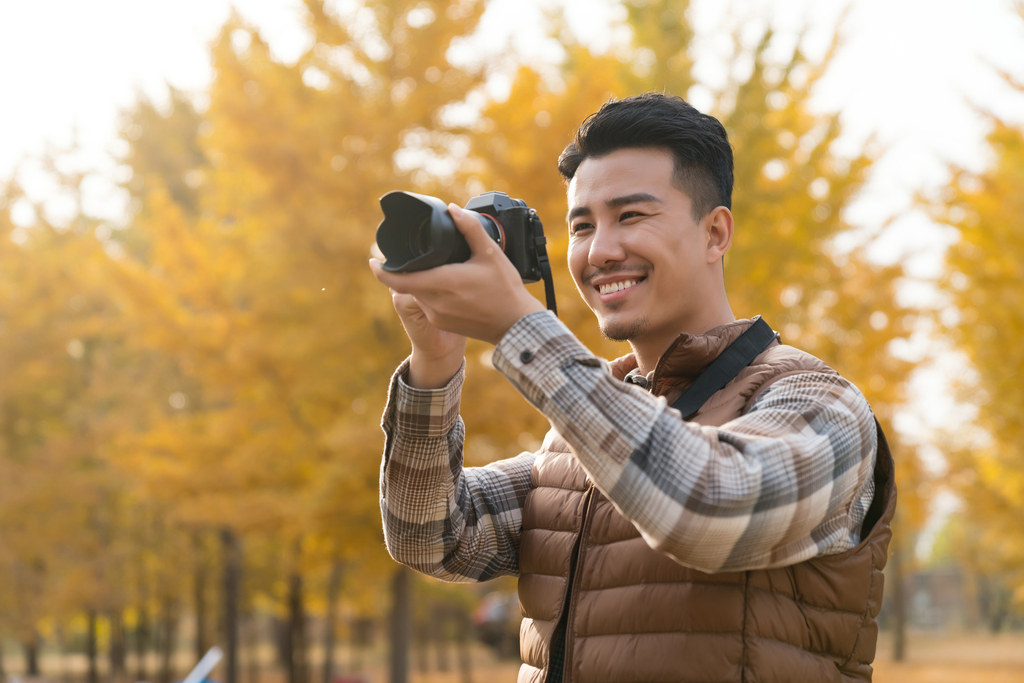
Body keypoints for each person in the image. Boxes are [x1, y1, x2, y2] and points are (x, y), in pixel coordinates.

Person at [369, 92, 896, 683]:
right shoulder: (577, 435)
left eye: (632, 216)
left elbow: (709, 508)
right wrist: (434, 361)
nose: (600, 251)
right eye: (583, 225)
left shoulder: (820, 403)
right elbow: (428, 536)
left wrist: (521, 330)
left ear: (715, 234)